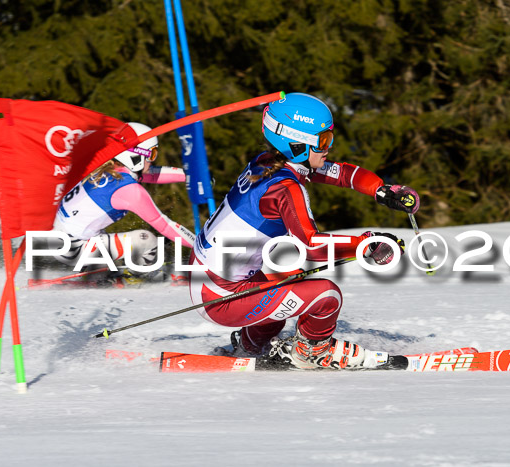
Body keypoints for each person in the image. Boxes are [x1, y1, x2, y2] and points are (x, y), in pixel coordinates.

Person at [189, 93, 420, 369]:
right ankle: (312, 351)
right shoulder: (286, 189)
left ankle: (249, 347)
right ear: (297, 144)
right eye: (323, 140)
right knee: (327, 296)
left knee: (288, 286)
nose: (329, 146)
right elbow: (311, 245)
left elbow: (343, 174)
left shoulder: (267, 162)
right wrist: (366, 244)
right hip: (220, 297)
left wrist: (381, 190)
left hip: (209, 282)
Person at [52, 122, 196, 275]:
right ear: (136, 155)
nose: (153, 160)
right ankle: (135, 278)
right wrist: (201, 246)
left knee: (106, 235)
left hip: (56, 236)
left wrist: (190, 176)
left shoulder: (107, 168)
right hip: (72, 248)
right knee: (146, 240)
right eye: (152, 153)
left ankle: (101, 273)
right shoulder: (129, 190)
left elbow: (151, 174)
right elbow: (166, 226)